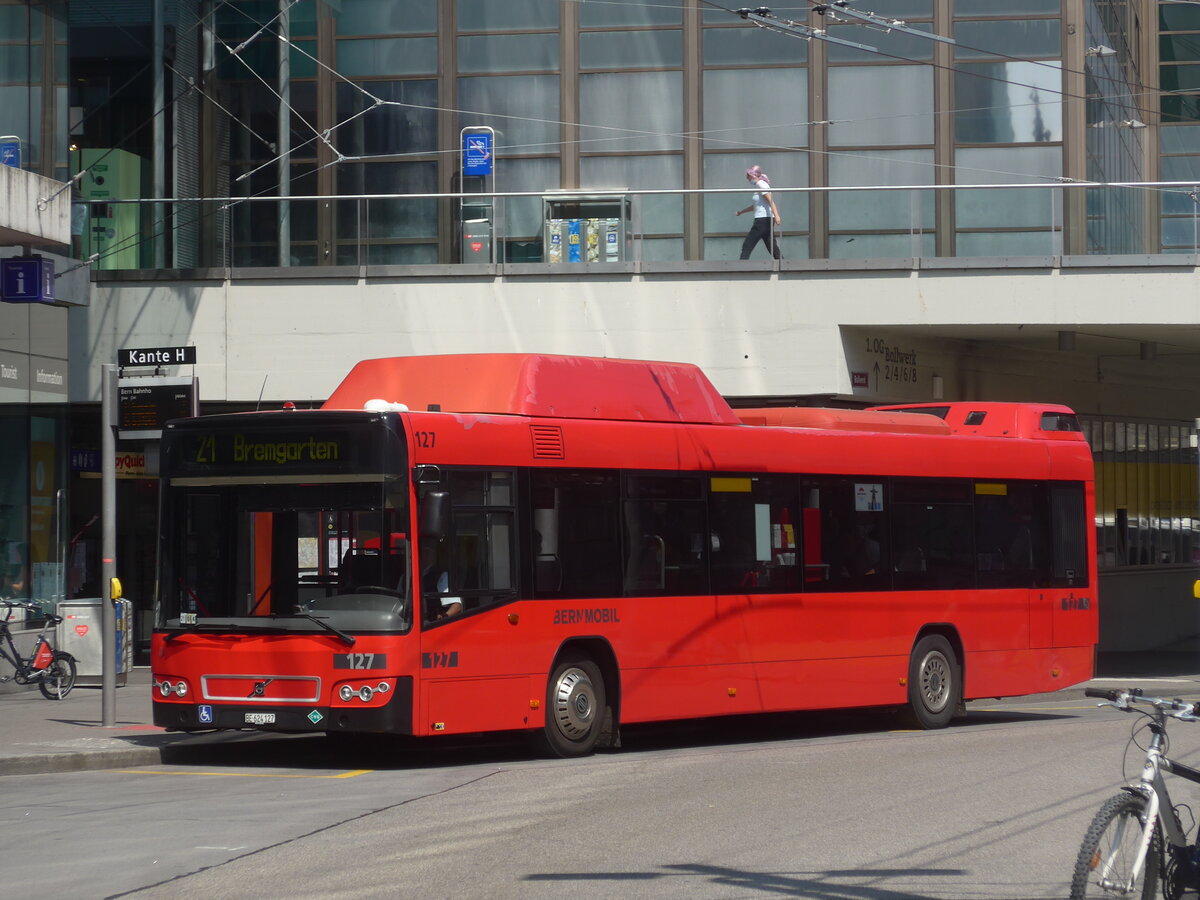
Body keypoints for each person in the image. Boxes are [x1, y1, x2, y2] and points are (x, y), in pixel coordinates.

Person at [735, 164, 781, 259]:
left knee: (748, 244)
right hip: (765, 220)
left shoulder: (761, 184)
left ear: (753, 175)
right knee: (771, 246)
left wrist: (777, 216)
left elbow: (770, 201)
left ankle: (741, 265)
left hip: (762, 220)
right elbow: (756, 206)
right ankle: (783, 263)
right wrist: (742, 212)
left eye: (748, 175)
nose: (747, 178)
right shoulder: (758, 186)